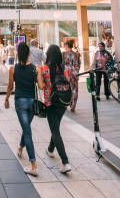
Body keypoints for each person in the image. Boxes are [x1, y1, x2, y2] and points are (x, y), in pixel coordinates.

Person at [4, 42, 44, 176]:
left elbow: (10, 86)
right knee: (26, 128)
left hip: (20, 102)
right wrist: (41, 76)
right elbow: (41, 86)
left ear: (17, 54)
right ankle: (21, 148)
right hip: (32, 103)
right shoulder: (35, 68)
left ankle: (33, 166)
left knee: (27, 130)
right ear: (29, 54)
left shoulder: (13, 69)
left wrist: (6, 99)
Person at [41, 44, 73, 174]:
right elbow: (68, 83)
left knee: (55, 131)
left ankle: (65, 162)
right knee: (56, 128)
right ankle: (50, 149)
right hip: (63, 102)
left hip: (50, 103)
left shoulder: (44, 69)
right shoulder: (65, 69)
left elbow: (41, 86)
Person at [62, 39, 80, 112]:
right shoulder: (76, 54)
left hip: (65, 73)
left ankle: (66, 103)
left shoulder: (63, 54)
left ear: (66, 45)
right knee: (74, 89)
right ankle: (73, 105)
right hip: (74, 73)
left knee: (66, 88)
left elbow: (61, 64)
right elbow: (78, 64)